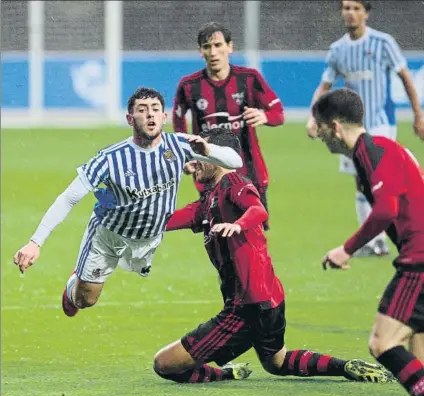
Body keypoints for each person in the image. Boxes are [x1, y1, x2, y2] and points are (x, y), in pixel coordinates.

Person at [152, 127, 395, 385]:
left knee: (164, 364)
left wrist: (239, 224)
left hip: (246, 308)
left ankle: (223, 373)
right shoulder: (207, 200)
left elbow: (258, 210)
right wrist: (128, 217)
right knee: (277, 363)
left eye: (202, 153)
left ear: (219, 157)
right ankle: (346, 367)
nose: (196, 160)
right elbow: (163, 221)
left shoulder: (234, 183)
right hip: (270, 299)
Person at [13, 87, 242, 318]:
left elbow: (236, 162)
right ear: (130, 119)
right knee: (85, 300)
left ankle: (86, 275)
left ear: (164, 117)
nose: (150, 115)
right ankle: (76, 282)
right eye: (142, 110)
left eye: (155, 109)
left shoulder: (180, 145)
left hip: (149, 238)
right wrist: (35, 242)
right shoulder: (110, 159)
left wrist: (208, 149)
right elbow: (68, 198)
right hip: (109, 235)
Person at [314, 88, 424, 396]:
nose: (318, 135)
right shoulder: (379, 149)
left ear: (335, 127)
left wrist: (346, 249)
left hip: (418, 259)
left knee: (383, 343)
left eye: (320, 127)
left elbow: (386, 210)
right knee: (417, 360)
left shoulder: (370, 152)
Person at [306, 0, 424, 257]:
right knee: (361, 184)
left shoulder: (383, 43)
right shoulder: (338, 49)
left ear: (366, 13)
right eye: (346, 8)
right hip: (349, 129)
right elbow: (324, 86)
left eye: (356, 8)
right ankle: (375, 242)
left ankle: (399, 236)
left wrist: (418, 115)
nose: (350, 13)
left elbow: (406, 77)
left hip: (381, 124)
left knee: (380, 184)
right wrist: (312, 117)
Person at [173, 22, 284, 230]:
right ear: (200, 51)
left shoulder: (249, 79)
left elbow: (278, 114)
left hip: (250, 171)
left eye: (218, 45)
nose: (213, 52)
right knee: (218, 235)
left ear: (230, 47)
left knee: (253, 233)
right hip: (211, 174)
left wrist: (264, 116)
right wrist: (184, 156)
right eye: (207, 47)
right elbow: (179, 123)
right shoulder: (189, 86)